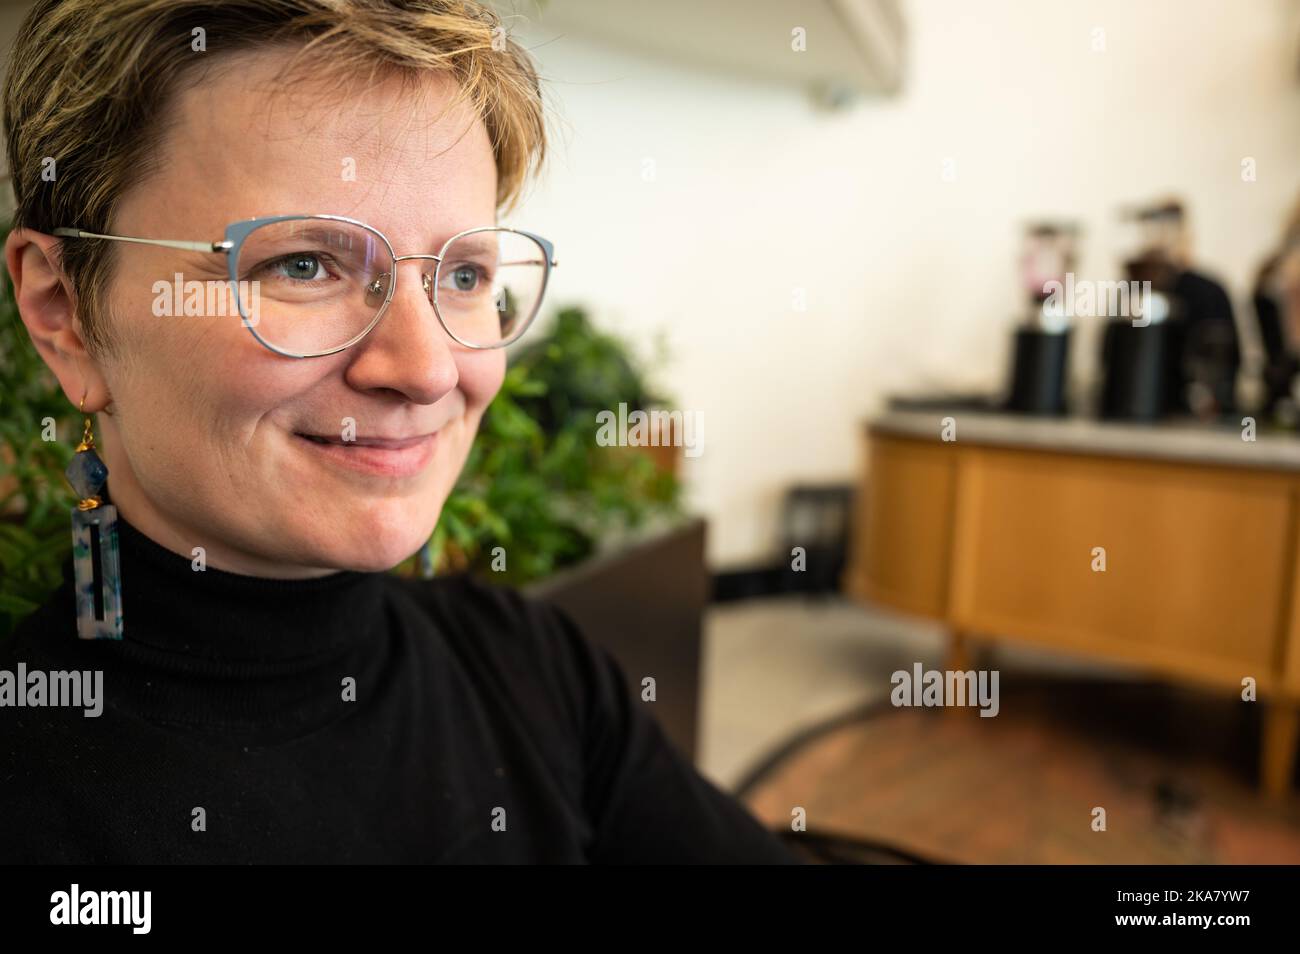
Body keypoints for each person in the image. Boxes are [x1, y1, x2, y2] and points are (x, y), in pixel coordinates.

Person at [0, 0, 800, 864]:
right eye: (303, 264)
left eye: (462, 273)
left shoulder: (533, 670)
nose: (426, 369)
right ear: (65, 317)